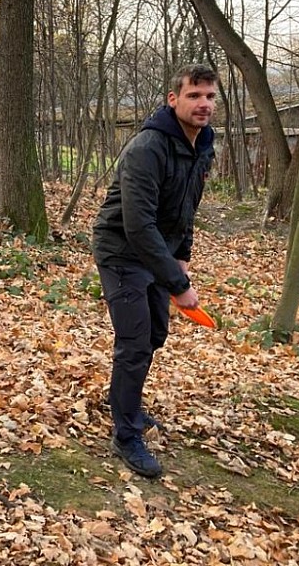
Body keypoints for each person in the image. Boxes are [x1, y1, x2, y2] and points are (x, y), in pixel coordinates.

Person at [92, 64, 218, 478]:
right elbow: (137, 224)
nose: (203, 104)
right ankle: (126, 433)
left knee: (156, 334)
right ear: (173, 99)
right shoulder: (148, 147)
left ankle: (126, 402)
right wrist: (179, 285)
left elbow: (187, 208)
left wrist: (182, 255)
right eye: (194, 95)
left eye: (210, 97)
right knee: (135, 341)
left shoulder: (202, 146)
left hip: (157, 250)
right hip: (121, 250)